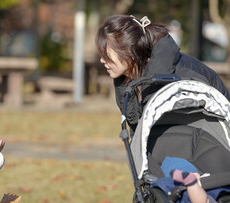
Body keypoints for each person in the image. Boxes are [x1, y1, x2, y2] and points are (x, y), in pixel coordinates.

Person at [95, 15, 230, 133]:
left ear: (129, 52)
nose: (102, 60)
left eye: (106, 55)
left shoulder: (179, 76)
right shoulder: (127, 78)